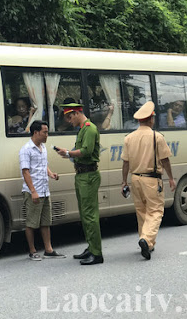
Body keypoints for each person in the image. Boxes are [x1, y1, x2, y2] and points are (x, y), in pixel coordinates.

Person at [121, 101, 176, 260]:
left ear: (139, 120)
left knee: (142, 211)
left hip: (135, 179)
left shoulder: (129, 138)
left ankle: (148, 243)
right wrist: (171, 178)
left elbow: (125, 163)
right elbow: (165, 160)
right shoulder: (156, 137)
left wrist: (124, 182)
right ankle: (145, 239)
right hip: (152, 180)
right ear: (151, 119)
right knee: (156, 211)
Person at [55, 103, 103, 265]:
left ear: (76, 113)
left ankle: (96, 253)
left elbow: (86, 151)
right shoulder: (82, 129)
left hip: (88, 175)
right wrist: (68, 153)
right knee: (85, 214)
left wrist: (68, 153)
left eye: (69, 117)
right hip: (82, 174)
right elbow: (80, 151)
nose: (68, 121)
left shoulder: (89, 129)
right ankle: (91, 247)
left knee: (90, 215)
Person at [19, 120, 65, 261]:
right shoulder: (26, 149)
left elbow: (43, 165)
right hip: (33, 191)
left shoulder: (43, 147)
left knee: (46, 222)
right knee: (32, 222)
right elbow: (26, 172)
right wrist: (33, 191)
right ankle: (32, 251)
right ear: (36, 132)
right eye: (44, 132)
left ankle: (48, 249)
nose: (47, 135)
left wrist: (51, 174)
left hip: (45, 190)